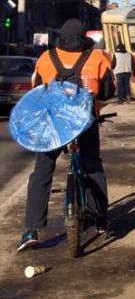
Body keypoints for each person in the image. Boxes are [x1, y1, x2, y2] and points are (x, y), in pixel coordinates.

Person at [17, 19, 115, 252]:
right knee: (92, 166)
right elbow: (109, 91)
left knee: (42, 172)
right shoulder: (97, 58)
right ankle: (100, 220)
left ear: (60, 37)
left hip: (52, 124)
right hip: (84, 123)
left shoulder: (46, 59)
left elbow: (36, 89)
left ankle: (32, 230)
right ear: (84, 38)